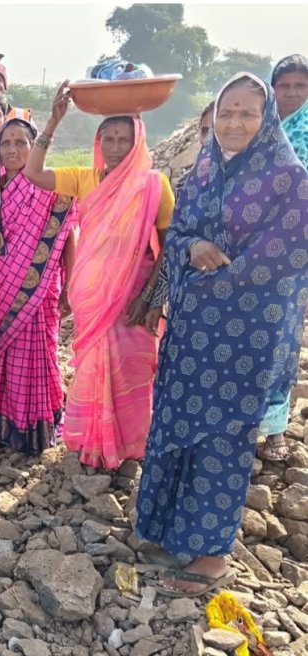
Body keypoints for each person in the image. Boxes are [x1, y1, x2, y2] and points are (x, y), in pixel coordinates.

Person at [134, 73, 307, 596]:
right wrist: (190, 250)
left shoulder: (288, 179)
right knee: (173, 423)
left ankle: (211, 555)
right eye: (226, 112)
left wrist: (218, 284)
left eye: (246, 114)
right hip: (190, 336)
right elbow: (180, 230)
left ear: (266, 119)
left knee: (221, 441)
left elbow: (286, 257)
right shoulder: (206, 168)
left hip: (244, 341)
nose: (234, 123)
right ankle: (167, 529)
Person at [24, 83, 174, 470]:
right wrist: (54, 121)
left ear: (138, 141)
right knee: (93, 367)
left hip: (135, 296)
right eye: (107, 138)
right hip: (94, 297)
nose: (115, 147)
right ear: (98, 141)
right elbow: (33, 172)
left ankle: (130, 448)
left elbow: (168, 249)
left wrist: (152, 299)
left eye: (124, 139)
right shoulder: (86, 178)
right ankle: (90, 442)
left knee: (132, 367)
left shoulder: (154, 186)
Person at [0, 116, 76, 455]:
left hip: (39, 288)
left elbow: (68, 237)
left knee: (40, 355)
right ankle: (3, 424)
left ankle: (38, 428)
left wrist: (70, 285)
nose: (12, 149)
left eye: (20, 142)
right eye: (5, 142)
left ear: (34, 146)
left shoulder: (52, 186)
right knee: (6, 357)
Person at [258, 54, 308, 461]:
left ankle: (274, 430)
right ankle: (241, 424)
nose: (290, 92)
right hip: (245, 257)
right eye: (284, 85)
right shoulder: (258, 129)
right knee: (240, 340)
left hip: (290, 260)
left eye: (300, 86)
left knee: (280, 341)